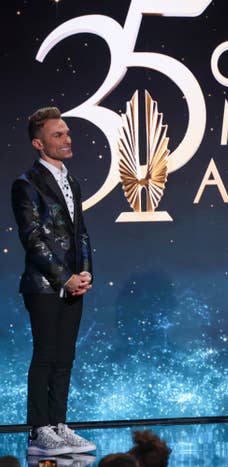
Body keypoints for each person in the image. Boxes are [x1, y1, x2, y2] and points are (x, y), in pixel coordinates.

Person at [12, 107, 94, 456]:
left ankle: (59, 424)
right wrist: (65, 278)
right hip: (45, 286)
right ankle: (39, 430)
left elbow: (81, 233)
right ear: (38, 143)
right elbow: (33, 239)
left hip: (74, 284)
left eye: (67, 133)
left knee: (65, 357)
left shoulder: (71, 181)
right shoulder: (26, 184)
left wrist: (86, 272)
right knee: (46, 355)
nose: (67, 139)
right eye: (57, 134)